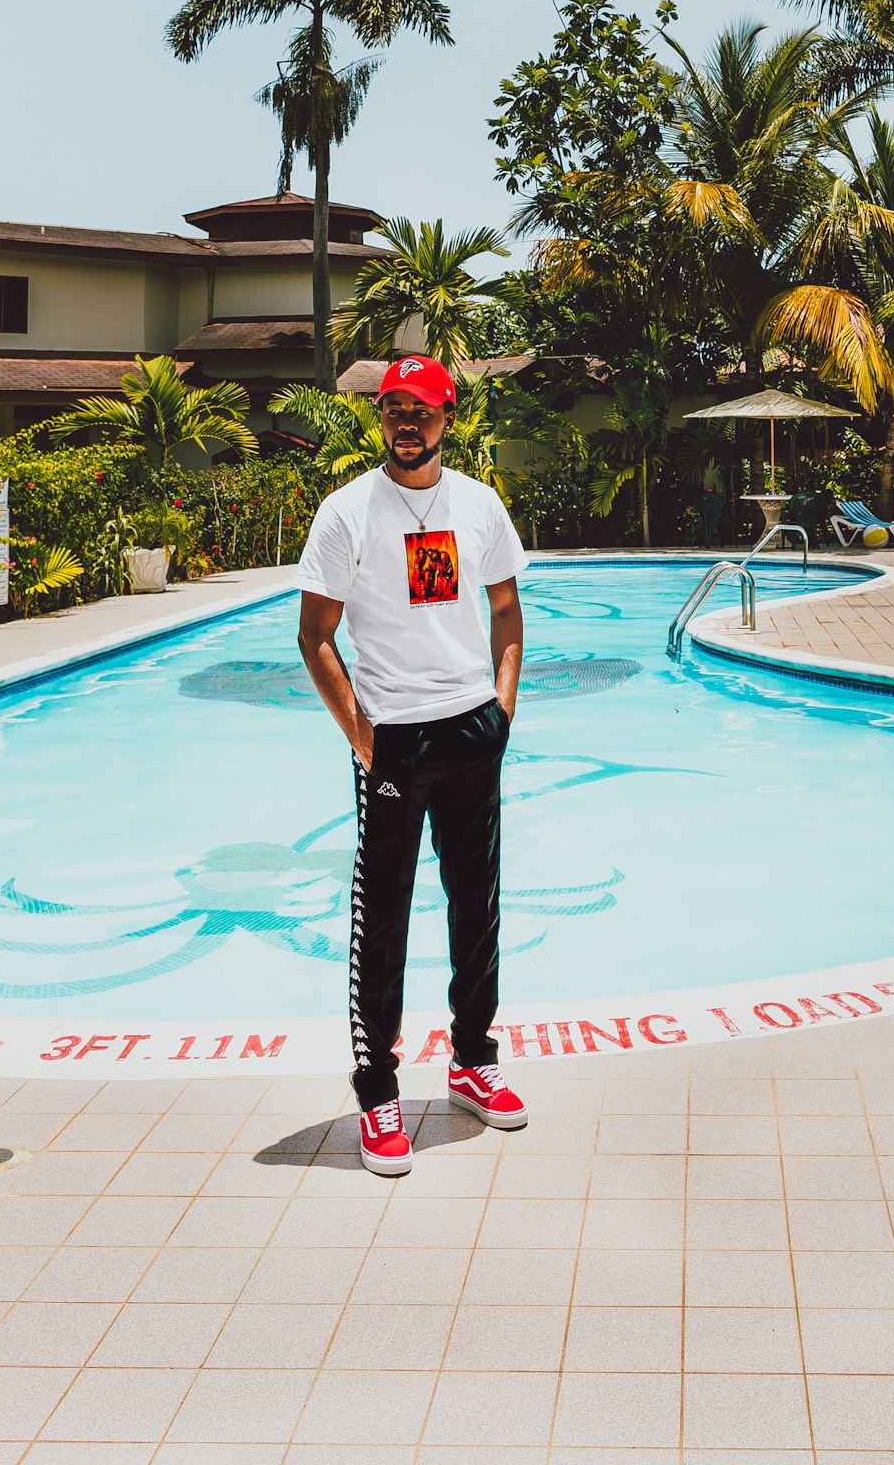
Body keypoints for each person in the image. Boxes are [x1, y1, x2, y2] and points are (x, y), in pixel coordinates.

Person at [295, 353, 529, 1174]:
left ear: (448, 417)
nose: (405, 421)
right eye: (392, 407)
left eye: (420, 408)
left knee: (478, 904)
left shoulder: (479, 505)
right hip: (392, 737)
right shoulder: (346, 513)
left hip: (471, 730)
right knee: (383, 918)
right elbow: (314, 635)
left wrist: (501, 708)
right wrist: (363, 735)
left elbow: (506, 610)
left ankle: (472, 1058)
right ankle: (378, 1089)